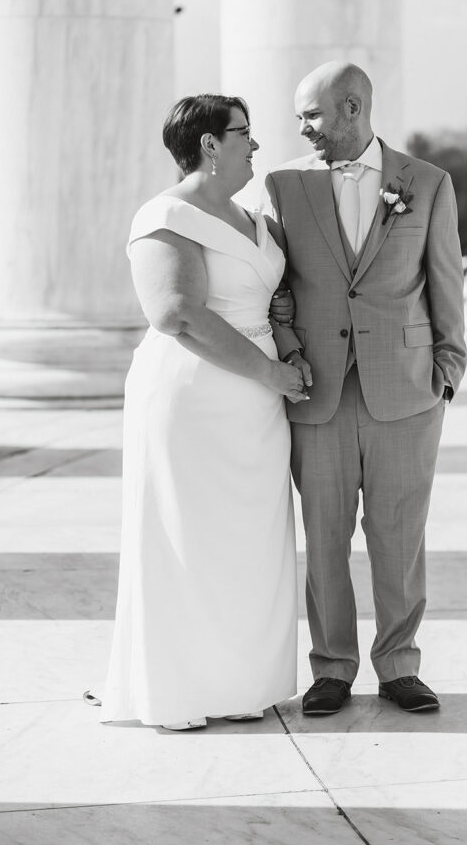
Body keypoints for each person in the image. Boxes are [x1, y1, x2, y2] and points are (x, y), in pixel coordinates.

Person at [99, 94, 308, 731]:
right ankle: (180, 691)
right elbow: (178, 313)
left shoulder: (256, 218)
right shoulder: (165, 214)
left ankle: (240, 684)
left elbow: (278, 301)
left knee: (246, 542)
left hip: (257, 408)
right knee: (185, 535)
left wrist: (289, 359)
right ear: (209, 144)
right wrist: (273, 372)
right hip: (193, 396)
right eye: (243, 133)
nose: (256, 144)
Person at [266, 61, 466, 715]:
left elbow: (444, 281)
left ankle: (399, 666)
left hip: (406, 393)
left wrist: (447, 369)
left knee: (398, 536)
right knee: (323, 537)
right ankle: (331, 668)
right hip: (316, 393)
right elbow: (276, 291)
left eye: (311, 114)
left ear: (352, 108)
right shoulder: (284, 184)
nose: (302, 127)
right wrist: (290, 355)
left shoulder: (426, 182)